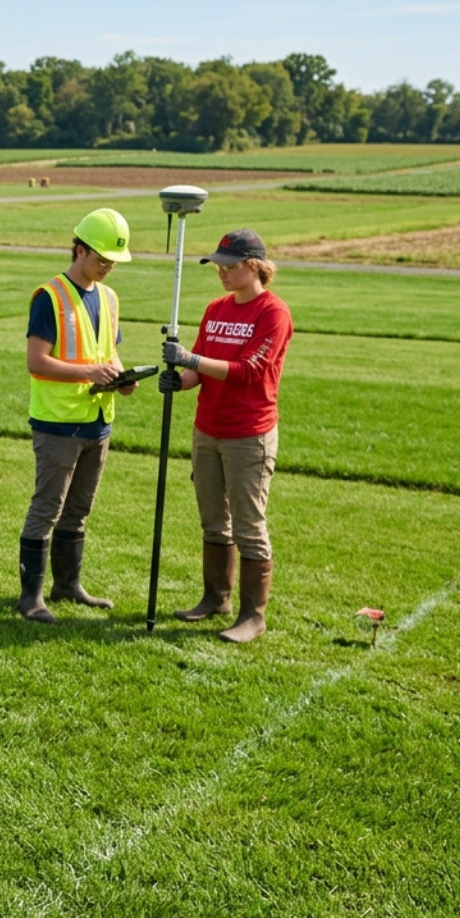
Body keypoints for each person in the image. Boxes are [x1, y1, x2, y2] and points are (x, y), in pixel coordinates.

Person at [158, 228, 293, 643]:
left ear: (253, 267)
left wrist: (191, 357)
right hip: (207, 430)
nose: (221, 273)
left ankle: (254, 616)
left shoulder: (273, 313)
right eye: (217, 266)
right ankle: (216, 599)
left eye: (228, 266)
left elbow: (248, 372)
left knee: (249, 525)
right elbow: (198, 370)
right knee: (214, 521)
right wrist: (179, 379)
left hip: (248, 434)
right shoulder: (216, 308)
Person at [16, 208, 140, 625]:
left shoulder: (108, 298)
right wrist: (90, 372)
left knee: (79, 510)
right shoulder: (49, 297)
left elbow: (108, 349)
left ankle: (67, 585)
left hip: (98, 420)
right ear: (80, 249)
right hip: (58, 422)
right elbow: (37, 361)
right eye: (102, 259)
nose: (107, 268)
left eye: (113, 262)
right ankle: (30, 598)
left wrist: (121, 376)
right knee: (47, 508)